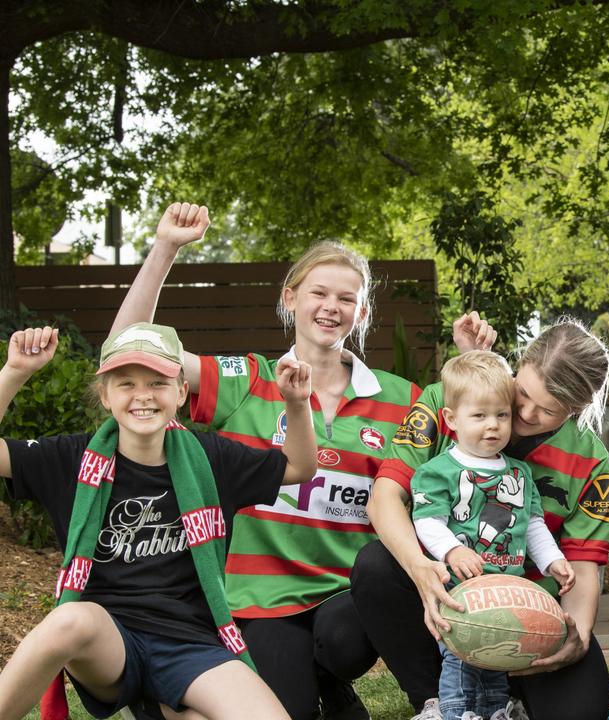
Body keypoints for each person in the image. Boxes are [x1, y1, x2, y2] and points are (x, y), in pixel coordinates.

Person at [111, 203, 421, 719]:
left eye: (347, 298)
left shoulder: (402, 398)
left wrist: (479, 360)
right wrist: (165, 247)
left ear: (362, 313)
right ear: (290, 297)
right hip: (264, 595)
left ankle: (341, 675)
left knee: (343, 640)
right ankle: (320, 690)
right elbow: (129, 347)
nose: (331, 307)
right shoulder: (245, 379)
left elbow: (476, 442)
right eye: (318, 293)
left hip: (348, 599)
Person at [0, 322, 317, 719]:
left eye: (158, 383)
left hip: (191, 644)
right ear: (105, 395)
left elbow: (300, 467)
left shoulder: (212, 458)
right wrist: (15, 371)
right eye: (126, 384)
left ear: (182, 391)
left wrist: (296, 402)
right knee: (69, 620)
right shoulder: (70, 458)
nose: (143, 396)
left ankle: (159, 706)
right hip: (108, 642)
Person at [354, 316, 609, 720]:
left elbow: (582, 563)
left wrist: (576, 634)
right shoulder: (448, 400)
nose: (525, 413)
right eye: (521, 393)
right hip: (447, 593)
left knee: (585, 711)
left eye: (548, 410)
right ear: (518, 365)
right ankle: (436, 702)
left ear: (577, 409)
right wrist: (422, 570)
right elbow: (384, 497)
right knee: (375, 565)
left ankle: (507, 694)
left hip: (530, 606)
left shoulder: (590, 456)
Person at [410, 350, 576, 720]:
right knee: (462, 655)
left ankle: (496, 711)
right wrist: (452, 551)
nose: (493, 426)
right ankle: (455, 711)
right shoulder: (438, 471)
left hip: (507, 587)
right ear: (451, 419)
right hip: (459, 589)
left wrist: (553, 560)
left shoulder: (518, 473)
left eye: (502, 415)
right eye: (479, 416)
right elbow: (427, 521)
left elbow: (533, 524)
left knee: (498, 654)